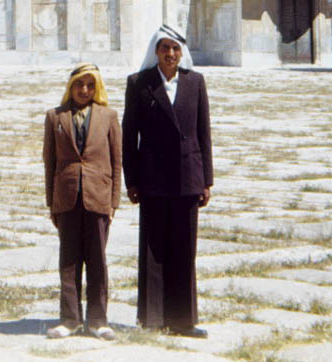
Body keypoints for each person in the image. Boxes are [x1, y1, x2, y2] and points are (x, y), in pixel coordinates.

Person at [122, 25, 212, 337]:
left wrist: (207, 180)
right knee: (153, 248)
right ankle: (153, 318)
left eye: (175, 49)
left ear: (181, 52)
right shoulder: (139, 83)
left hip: (188, 177)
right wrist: (131, 180)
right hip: (153, 178)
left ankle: (184, 319)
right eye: (165, 49)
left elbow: (204, 134)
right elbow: (128, 136)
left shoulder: (195, 82)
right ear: (156, 52)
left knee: (185, 249)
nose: (170, 54)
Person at [42, 63, 122, 340]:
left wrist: (114, 202)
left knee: (97, 260)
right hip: (67, 198)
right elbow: (49, 162)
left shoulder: (108, 116)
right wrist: (52, 202)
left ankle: (98, 320)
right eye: (79, 84)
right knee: (69, 260)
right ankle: (70, 318)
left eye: (90, 85)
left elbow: (116, 161)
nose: (84, 90)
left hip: (97, 197)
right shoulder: (55, 117)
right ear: (70, 86)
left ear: (97, 87)